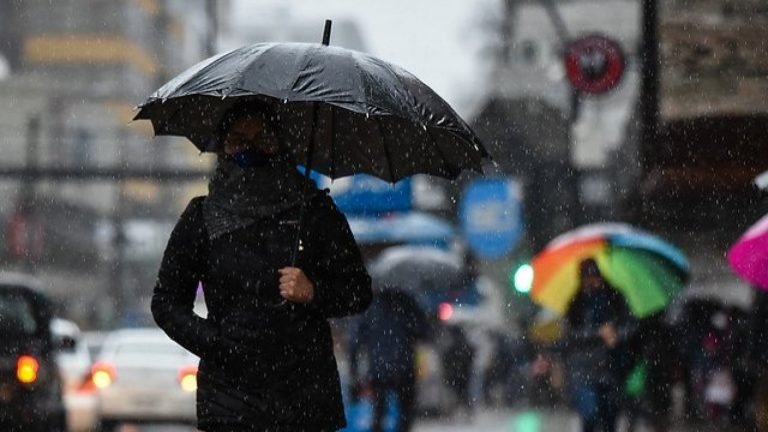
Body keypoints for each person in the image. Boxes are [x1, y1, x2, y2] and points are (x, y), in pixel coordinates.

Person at [151, 102, 373, 432]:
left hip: (305, 395)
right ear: (222, 145)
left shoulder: (314, 211)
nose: (249, 149)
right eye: (239, 139)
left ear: (281, 144)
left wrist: (314, 291)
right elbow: (166, 303)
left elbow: (358, 292)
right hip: (229, 398)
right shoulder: (202, 217)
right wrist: (218, 342)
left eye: (263, 139)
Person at [562, 258, 635, 432]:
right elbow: (570, 335)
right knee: (589, 416)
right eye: (587, 278)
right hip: (583, 370)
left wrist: (616, 335)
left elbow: (630, 326)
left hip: (611, 368)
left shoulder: (615, 299)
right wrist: (597, 334)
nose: (592, 282)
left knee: (610, 417)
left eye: (594, 277)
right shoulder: (575, 305)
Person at [348, 287, 431, 432]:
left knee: (379, 413)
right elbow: (423, 332)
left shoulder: (371, 306)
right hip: (404, 367)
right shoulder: (408, 303)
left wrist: (354, 371)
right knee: (405, 414)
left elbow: (355, 340)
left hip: (379, 369)